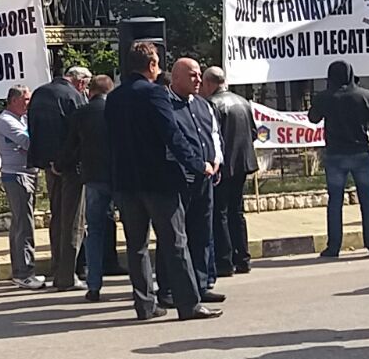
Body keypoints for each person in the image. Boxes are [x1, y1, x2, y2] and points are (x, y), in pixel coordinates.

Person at [106, 42, 221, 322]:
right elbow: (172, 134)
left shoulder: (114, 97)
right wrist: (198, 164)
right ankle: (188, 304)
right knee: (175, 242)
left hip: (126, 181)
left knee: (136, 246)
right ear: (151, 65)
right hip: (158, 181)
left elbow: (110, 139)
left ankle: (145, 305)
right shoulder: (155, 93)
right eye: (157, 63)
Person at [308, 60, 369, 258]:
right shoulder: (365, 95)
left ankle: (334, 247)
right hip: (360, 152)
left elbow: (313, 117)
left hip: (335, 154)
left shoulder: (325, 97)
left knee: (335, 202)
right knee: (367, 201)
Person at [168, 58, 225, 304]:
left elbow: (214, 135)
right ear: (176, 77)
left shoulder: (203, 104)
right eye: (193, 75)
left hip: (205, 179)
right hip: (179, 179)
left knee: (202, 233)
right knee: (176, 236)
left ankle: (201, 285)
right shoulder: (166, 105)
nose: (199, 80)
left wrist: (217, 160)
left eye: (200, 75)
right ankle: (170, 289)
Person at [31, 67, 89, 292]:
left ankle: (56, 267)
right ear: (80, 82)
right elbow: (79, 135)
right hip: (71, 166)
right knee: (73, 220)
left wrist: (48, 161)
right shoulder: (73, 96)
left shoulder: (39, 93)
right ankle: (67, 276)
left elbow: (33, 129)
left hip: (47, 164)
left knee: (57, 216)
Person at [58, 74, 114, 301]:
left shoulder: (82, 113)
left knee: (95, 231)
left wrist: (59, 165)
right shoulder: (116, 111)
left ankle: (94, 285)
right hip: (119, 176)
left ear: (91, 92)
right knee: (134, 230)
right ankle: (140, 285)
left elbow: (71, 145)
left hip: (93, 176)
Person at [201, 66, 259, 276]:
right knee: (237, 211)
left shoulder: (211, 104)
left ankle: (224, 262)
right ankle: (242, 258)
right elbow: (253, 133)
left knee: (220, 213)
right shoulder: (243, 102)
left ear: (209, 83)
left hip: (224, 165)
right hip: (243, 163)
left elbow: (211, 136)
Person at [0, 85, 42, 290]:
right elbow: (28, 142)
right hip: (17, 176)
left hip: (26, 173)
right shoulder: (6, 121)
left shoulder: (21, 119)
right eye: (26, 99)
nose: (28, 104)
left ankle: (20, 270)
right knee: (24, 225)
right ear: (14, 100)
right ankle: (24, 273)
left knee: (20, 223)